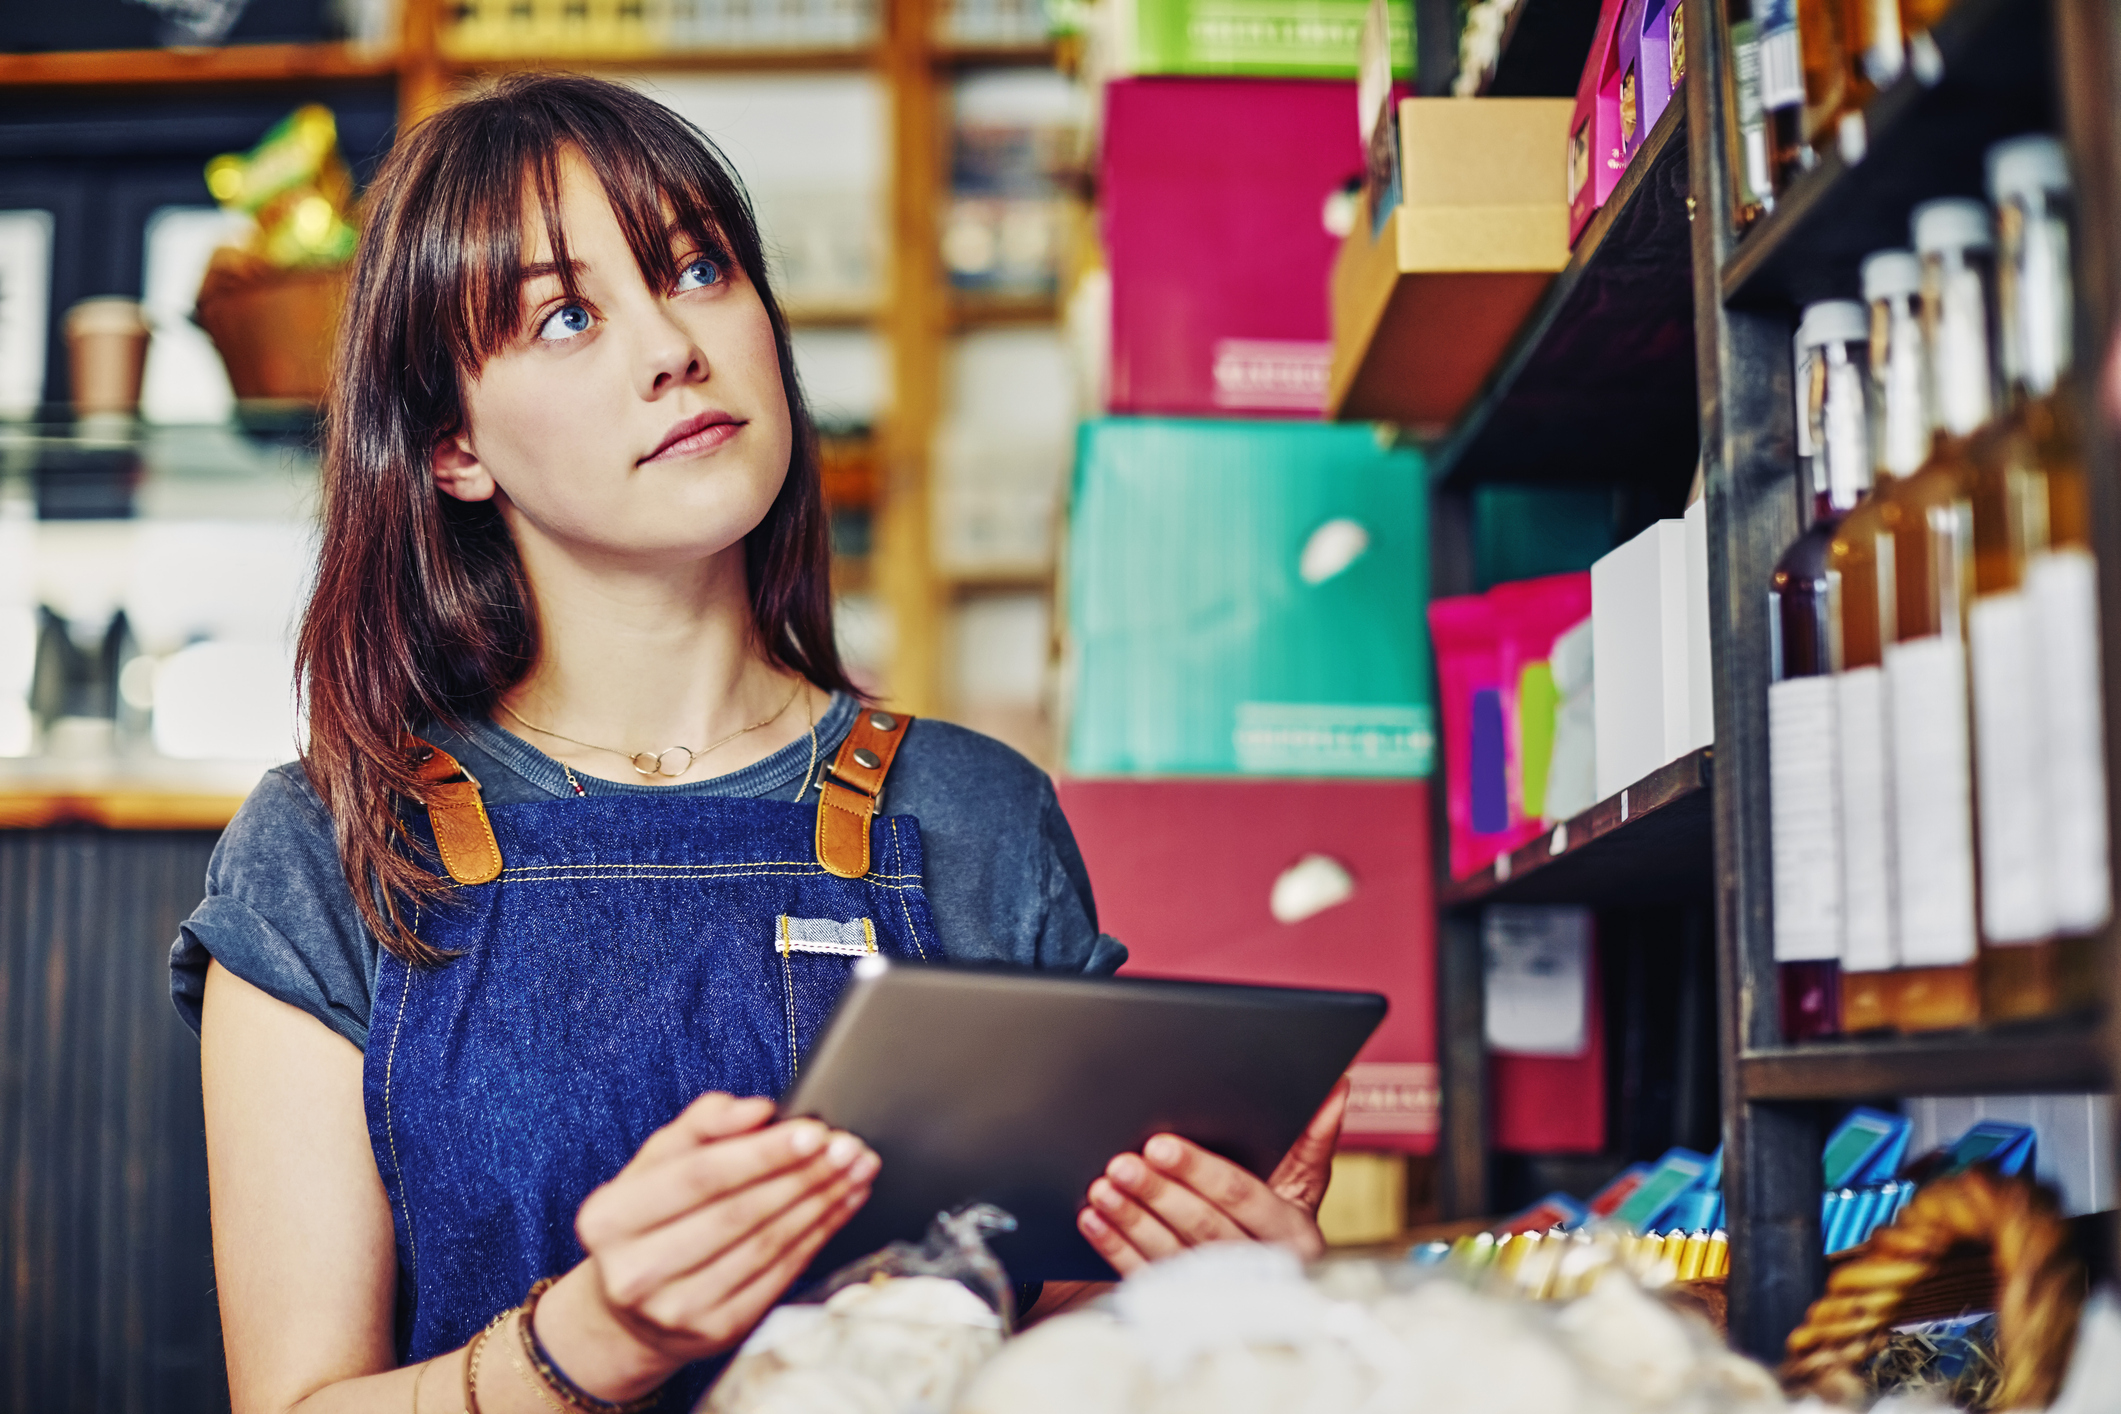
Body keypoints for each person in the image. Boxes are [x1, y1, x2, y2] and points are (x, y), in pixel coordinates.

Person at [169, 73, 1349, 1414]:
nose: (672, 345)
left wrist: (1210, 1292)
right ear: (452, 447)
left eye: (697, 267)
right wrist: (596, 1336)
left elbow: (1051, 1343)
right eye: (565, 316)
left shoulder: (976, 814)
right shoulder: (328, 844)